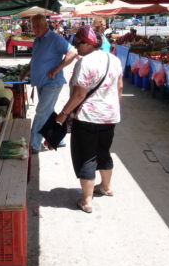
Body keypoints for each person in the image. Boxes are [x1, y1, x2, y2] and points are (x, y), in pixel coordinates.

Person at [55, 26, 123, 214]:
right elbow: (119, 88)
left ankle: (86, 200)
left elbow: (78, 95)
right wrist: (114, 109)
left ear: (88, 43)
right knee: (104, 151)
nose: (75, 48)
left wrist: (62, 115)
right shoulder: (114, 60)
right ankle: (106, 187)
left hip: (88, 118)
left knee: (86, 156)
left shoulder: (84, 63)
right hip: (110, 116)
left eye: (77, 43)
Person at [20, 14, 78, 154]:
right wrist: (25, 72)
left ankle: (33, 144)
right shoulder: (37, 41)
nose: (36, 28)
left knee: (41, 112)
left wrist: (57, 69)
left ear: (46, 25)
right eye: (33, 26)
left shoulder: (55, 38)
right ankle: (57, 138)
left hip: (52, 83)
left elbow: (73, 52)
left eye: (38, 25)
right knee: (47, 112)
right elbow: (35, 59)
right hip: (40, 82)